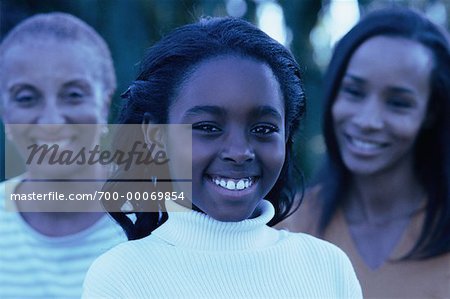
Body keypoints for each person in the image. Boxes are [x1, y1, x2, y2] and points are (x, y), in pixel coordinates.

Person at [82, 17, 363, 298]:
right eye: (207, 128)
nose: (239, 152)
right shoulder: (120, 277)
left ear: (286, 136)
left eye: (263, 129)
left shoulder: (326, 267)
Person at [278, 8, 450, 299]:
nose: (368, 120)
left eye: (398, 103)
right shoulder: (286, 226)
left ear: (431, 112)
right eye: (354, 92)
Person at [0, 13, 126, 298]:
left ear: (104, 103)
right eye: (26, 98)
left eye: (73, 94)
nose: (52, 120)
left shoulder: (159, 219)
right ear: (5, 112)